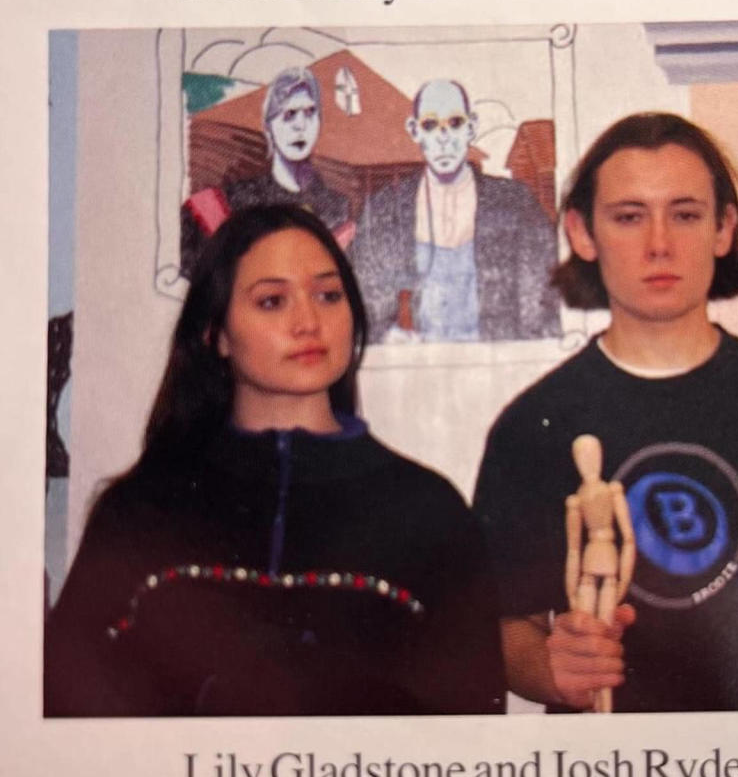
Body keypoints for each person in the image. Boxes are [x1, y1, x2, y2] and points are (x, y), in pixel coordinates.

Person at [473, 112, 738, 713]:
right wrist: (548, 666)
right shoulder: (532, 425)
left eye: (685, 214)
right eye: (629, 216)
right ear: (582, 233)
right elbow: (505, 629)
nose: (659, 243)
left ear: (724, 229)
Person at [46, 205, 505, 716]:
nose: (308, 322)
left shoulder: (431, 511)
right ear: (214, 333)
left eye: (328, 295)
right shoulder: (138, 510)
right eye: (271, 301)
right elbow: (69, 717)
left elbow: (468, 740)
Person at [348, 79, 560, 343]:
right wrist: (388, 338)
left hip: (501, 367)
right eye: (430, 125)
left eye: (455, 123)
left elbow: (544, 309)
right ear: (414, 131)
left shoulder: (515, 205)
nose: (444, 138)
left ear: (471, 128)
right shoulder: (386, 210)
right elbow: (361, 311)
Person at [180, 67, 353, 280]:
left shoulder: (338, 208)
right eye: (289, 114)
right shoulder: (234, 202)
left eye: (310, 112)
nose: (301, 125)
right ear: (268, 126)